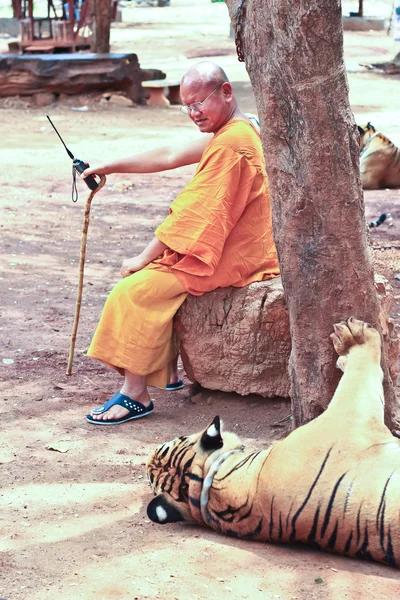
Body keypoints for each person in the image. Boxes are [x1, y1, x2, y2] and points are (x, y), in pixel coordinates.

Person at [83, 61, 280, 425]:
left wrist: (143, 258)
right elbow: (170, 155)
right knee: (154, 279)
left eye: (199, 103)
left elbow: (193, 216)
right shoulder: (240, 126)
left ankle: (136, 394)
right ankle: (168, 374)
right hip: (244, 244)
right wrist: (107, 166)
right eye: (186, 106)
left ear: (226, 93)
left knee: (134, 291)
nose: (193, 113)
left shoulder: (233, 143)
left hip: (236, 254)